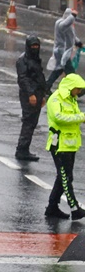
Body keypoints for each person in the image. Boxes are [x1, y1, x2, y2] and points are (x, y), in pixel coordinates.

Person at [46, 73, 85, 220]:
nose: (79, 92)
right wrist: (81, 117)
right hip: (59, 145)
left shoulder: (71, 99)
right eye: (77, 89)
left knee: (65, 177)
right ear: (70, 87)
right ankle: (74, 208)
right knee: (65, 178)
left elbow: (74, 118)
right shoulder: (56, 99)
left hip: (70, 145)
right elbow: (59, 117)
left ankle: (52, 207)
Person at [17, 35, 47, 161]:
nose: (35, 48)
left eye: (37, 46)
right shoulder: (23, 60)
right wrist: (31, 94)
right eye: (33, 46)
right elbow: (23, 79)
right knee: (28, 122)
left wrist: (43, 95)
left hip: (37, 94)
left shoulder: (35, 59)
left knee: (32, 123)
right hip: (30, 96)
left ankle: (24, 149)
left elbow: (39, 78)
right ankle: (22, 150)